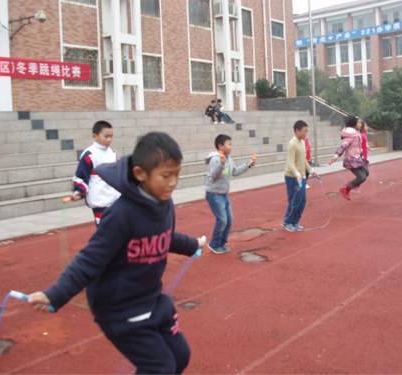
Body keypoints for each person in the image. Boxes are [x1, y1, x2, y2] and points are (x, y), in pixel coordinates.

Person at [27, 133, 206, 374]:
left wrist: (193, 244)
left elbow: (166, 237)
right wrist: (56, 294)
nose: (173, 182)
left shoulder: (164, 204)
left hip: (152, 300)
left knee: (180, 357)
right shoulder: (120, 216)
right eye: (166, 175)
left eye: (177, 173)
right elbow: (89, 260)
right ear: (141, 174)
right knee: (161, 367)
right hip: (120, 310)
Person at [205, 134, 256, 254]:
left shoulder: (228, 159)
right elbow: (214, 175)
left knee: (229, 219)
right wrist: (221, 164)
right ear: (220, 146)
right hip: (214, 194)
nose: (231, 147)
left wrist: (248, 165)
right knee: (222, 220)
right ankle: (214, 244)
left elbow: (235, 171)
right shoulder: (216, 159)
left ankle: (221, 243)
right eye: (229, 144)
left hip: (223, 194)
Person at [71, 120, 121, 226]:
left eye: (111, 136)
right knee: (105, 233)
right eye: (106, 136)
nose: (109, 139)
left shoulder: (112, 153)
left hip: (115, 201)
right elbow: (80, 177)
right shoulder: (89, 155)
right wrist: (78, 191)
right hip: (100, 202)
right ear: (95, 136)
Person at [281, 121, 317, 232]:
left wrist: (310, 170)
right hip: (292, 177)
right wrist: (297, 174)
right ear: (297, 131)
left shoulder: (302, 142)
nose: (306, 134)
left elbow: (303, 160)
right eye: (304, 131)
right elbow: (290, 163)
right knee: (294, 200)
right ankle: (287, 221)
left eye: (306, 131)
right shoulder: (292, 144)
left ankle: (295, 221)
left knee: (302, 200)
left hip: (301, 176)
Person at [330, 116, 369, 201]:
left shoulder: (356, 133)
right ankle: (345, 188)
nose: (360, 124)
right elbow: (343, 146)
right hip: (351, 160)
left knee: (366, 173)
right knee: (361, 177)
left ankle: (353, 186)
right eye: (359, 122)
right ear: (353, 124)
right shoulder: (351, 135)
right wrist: (336, 155)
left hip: (358, 158)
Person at [352, 122, 371, 194]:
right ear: (361, 128)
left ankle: (355, 186)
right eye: (365, 126)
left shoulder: (364, 135)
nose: (367, 128)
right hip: (360, 158)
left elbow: (364, 144)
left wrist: (367, 147)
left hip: (364, 159)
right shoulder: (360, 136)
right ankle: (353, 186)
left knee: (366, 173)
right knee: (364, 174)